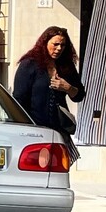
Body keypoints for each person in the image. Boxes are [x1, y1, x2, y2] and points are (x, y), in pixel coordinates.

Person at [13, 25, 85, 158]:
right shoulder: (29, 64)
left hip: (58, 129)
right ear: (45, 43)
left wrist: (68, 88)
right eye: (55, 44)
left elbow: (79, 95)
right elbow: (18, 99)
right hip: (35, 128)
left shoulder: (66, 66)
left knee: (59, 166)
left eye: (62, 45)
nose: (59, 49)